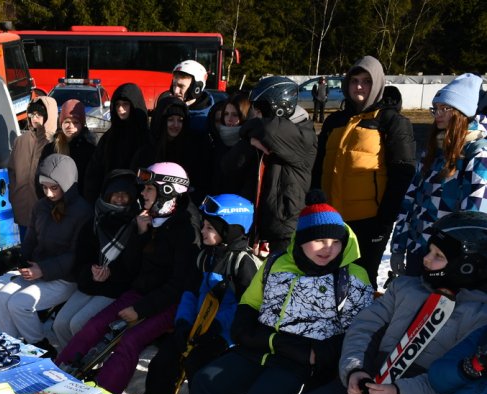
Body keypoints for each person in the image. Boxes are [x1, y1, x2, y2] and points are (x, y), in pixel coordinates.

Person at [186, 191, 374, 394]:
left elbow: (362, 329)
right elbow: (251, 300)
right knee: (205, 384)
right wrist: (244, 325)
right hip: (259, 345)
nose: (328, 249)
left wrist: (320, 354)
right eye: (319, 240)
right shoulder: (276, 263)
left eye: (336, 241)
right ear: (300, 240)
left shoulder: (352, 277)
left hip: (300, 358)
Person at [288, 210, 487, 394]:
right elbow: (365, 327)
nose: (426, 260)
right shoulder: (407, 287)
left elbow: (454, 376)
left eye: (438, 256)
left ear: (467, 264)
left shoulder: (478, 315)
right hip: (372, 372)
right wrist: (355, 369)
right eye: (429, 251)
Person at [56, 162, 197, 394]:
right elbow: (135, 268)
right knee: (94, 326)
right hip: (141, 293)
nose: (142, 194)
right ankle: (55, 377)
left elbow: (179, 283)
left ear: (168, 191)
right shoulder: (151, 219)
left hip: (170, 302)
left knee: (129, 341)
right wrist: (141, 235)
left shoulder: (186, 229)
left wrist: (140, 309)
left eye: (149, 189)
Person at [143, 194, 259, 394]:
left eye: (210, 228)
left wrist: (216, 329)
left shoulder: (243, 264)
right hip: (197, 328)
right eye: (203, 226)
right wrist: (183, 322)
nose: (203, 232)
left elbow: (245, 307)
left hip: (223, 335)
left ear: (230, 229)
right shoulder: (205, 256)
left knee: (200, 367)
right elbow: (190, 292)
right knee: (163, 362)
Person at [313, 56, 417, 288]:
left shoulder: (392, 122)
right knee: (326, 282)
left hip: (369, 221)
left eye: (366, 81)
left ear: (378, 84)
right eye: (354, 80)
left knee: (360, 283)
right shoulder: (334, 121)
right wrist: (314, 202)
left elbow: (402, 175)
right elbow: (319, 166)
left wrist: (384, 219)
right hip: (331, 218)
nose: (359, 86)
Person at [390, 73, 487, 278]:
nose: (438, 114)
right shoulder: (434, 150)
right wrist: (399, 246)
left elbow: (473, 217)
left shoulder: (477, 154)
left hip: (448, 259)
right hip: (419, 251)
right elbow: (410, 200)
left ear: (462, 112)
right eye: (436, 108)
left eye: (445, 108)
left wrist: (457, 259)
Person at [0, 154, 92, 354]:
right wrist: (23, 262)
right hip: (37, 271)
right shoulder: (41, 206)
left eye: (54, 188)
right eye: (44, 187)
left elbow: (78, 254)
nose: (48, 193)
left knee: (19, 304)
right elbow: (30, 239)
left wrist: (43, 270)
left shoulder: (83, 211)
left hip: (65, 277)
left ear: (66, 184)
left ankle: (40, 347)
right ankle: (5, 347)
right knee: (2, 297)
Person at [220, 76, 317, 255]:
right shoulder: (259, 136)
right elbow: (229, 166)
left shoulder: (303, 134)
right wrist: (249, 141)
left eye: (260, 108)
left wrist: (249, 131)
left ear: (279, 107)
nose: (255, 113)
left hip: (284, 225)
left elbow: (268, 129)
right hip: (257, 222)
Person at [50, 170, 141, 350]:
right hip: (90, 282)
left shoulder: (136, 223)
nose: (120, 199)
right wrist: (91, 272)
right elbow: (81, 257)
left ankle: (85, 361)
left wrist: (111, 274)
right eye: (116, 194)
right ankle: (69, 358)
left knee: (78, 324)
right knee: (60, 323)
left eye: (125, 194)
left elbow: (135, 265)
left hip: (116, 287)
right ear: (107, 195)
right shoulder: (94, 220)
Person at [84, 83, 151, 200]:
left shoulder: (146, 137)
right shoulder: (109, 137)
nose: (120, 109)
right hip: (110, 199)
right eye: (117, 105)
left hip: (138, 199)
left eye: (125, 104)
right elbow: (95, 170)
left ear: (134, 105)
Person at [7, 96, 58, 240]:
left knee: (43, 251)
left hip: (46, 208)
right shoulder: (20, 141)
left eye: (39, 114)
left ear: (49, 115)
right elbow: (12, 170)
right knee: (26, 250)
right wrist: (14, 194)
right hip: (22, 206)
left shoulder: (54, 142)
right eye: (32, 114)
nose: (35, 118)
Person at [131, 95, 201, 192]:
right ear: (161, 121)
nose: (176, 125)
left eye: (180, 120)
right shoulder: (146, 150)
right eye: (170, 119)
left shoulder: (191, 149)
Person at [41, 99, 97, 203]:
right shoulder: (50, 149)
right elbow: (40, 177)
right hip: (53, 203)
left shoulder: (90, 150)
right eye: (67, 122)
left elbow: (92, 182)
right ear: (61, 123)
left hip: (80, 205)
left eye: (75, 122)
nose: (70, 126)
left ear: (82, 124)